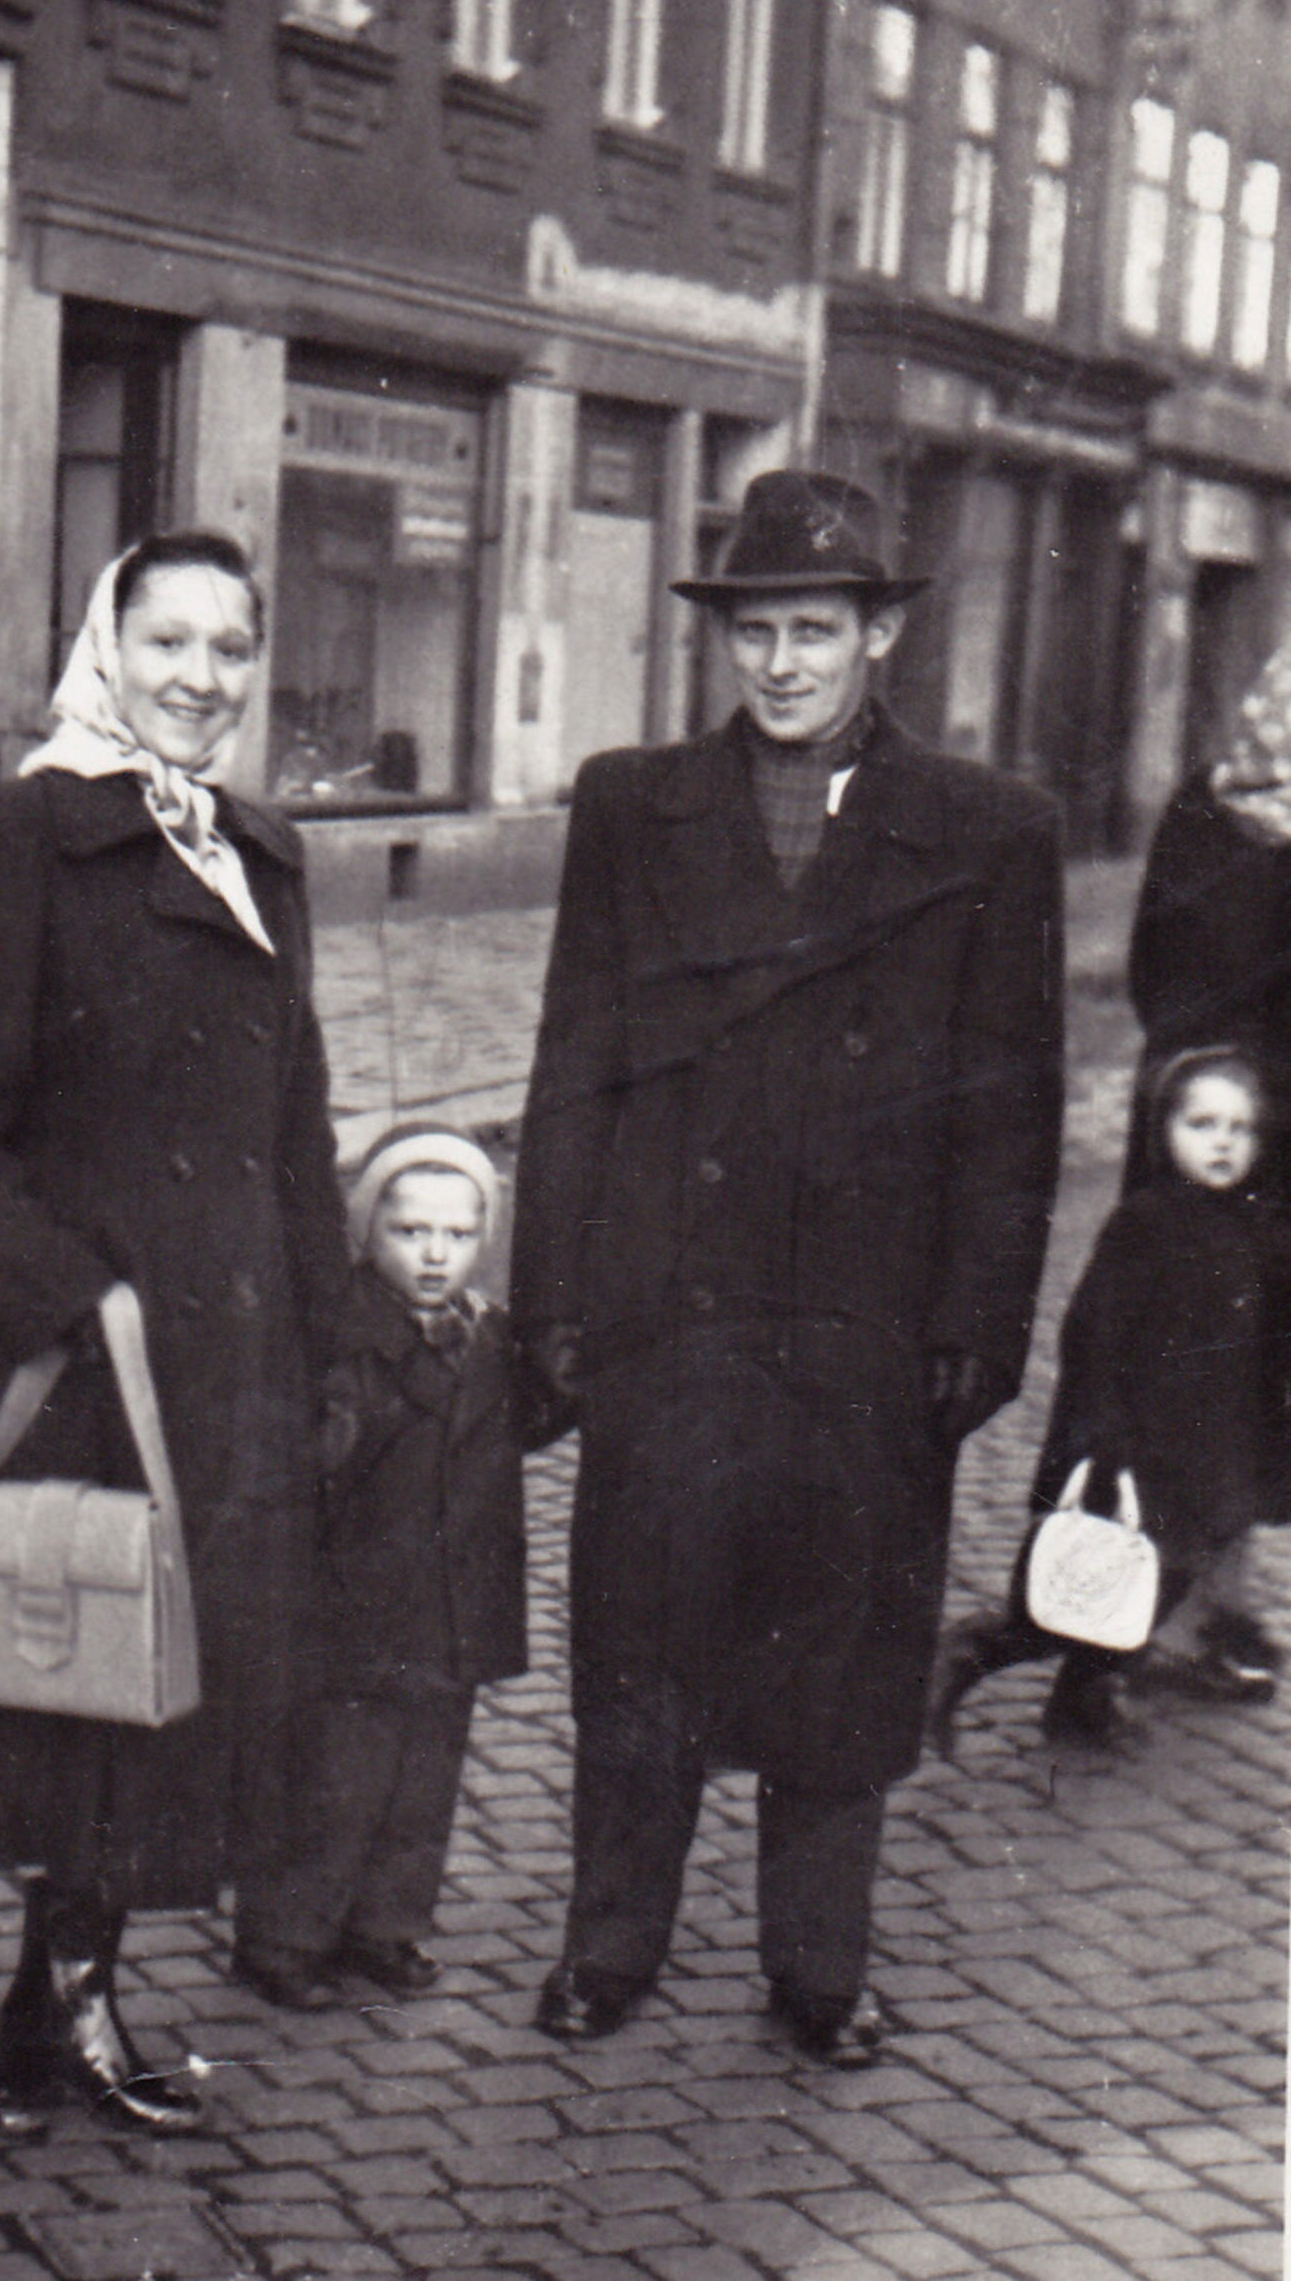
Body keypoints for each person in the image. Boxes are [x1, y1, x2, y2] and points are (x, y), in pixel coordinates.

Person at [510, 470, 1065, 2070]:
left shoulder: (987, 829)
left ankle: (818, 1968)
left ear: (877, 634)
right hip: (667, 1311)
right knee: (640, 1646)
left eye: (813, 630)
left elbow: (1009, 1106)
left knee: (839, 1661)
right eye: (754, 632)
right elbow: (573, 1063)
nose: (780, 664)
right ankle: (607, 1948)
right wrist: (551, 1300)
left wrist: (975, 1327)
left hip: (861, 1327)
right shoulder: (632, 805)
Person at [0, 532, 349, 2139]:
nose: (200, 677)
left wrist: (321, 1338)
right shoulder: (19, 831)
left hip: (216, 1366)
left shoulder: (258, 852)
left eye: (230, 648)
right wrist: (70, 1296)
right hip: (49, 1353)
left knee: (144, 1687)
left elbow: (294, 1129)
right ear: (107, 648)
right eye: (166, 641)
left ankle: (71, 2003)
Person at [232, 1122, 546, 2011]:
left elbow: (532, 1418)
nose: (436, 1255)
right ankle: (284, 1938)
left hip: (454, 1603)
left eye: (459, 1234)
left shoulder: (490, 1339)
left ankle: (385, 1925)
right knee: (334, 1782)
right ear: (365, 1231)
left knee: (423, 1781)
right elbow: (304, 1466)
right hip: (356, 1608)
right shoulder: (341, 1342)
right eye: (410, 1232)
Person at [928, 1047, 1285, 1754]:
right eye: (1202, 1124)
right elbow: (1093, 1336)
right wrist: (1103, 1439)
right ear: (1163, 1131)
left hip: (1211, 1454)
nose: (1221, 1142)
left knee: (1162, 1587)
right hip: (1137, 1449)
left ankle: (1082, 1701)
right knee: (1077, 1592)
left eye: (1239, 1128)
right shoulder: (1145, 1224)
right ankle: (969, 1654)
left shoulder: (1254, 1226)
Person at [1108, 655, 1291, 1679]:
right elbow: (1152, 963)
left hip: (1271, 1152)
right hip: (1202, 1137)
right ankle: (1145, 1605)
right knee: (1177, 1360)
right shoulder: (1199, 808)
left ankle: (1219, 1602)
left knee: (1255, 1378)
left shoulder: (1204, 806)